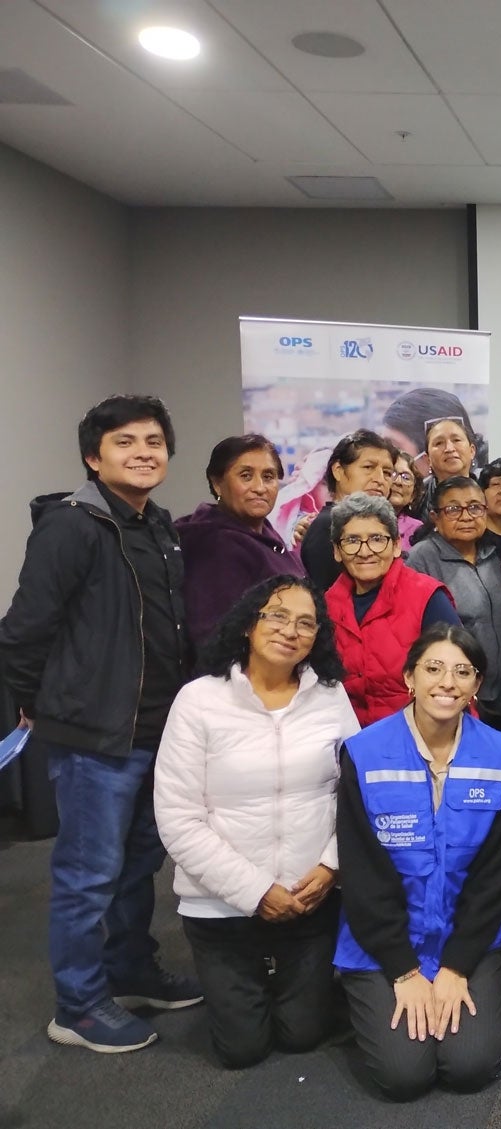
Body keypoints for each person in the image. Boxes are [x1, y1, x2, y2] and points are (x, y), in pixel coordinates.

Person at [0, 394, 202, 1053]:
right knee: (86, 873)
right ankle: (79, 1005)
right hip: (94, 737)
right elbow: (24, 630)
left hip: (154, 734)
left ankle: (130, 969)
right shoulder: (71, 526)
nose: (143, 451)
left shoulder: (157, 524)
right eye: (124, 442)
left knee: (139, 862)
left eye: (154, 441)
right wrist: (41, 701)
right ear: (93, 456)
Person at [154, 577, 358, 1068]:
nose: (291, 629)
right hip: (222, 906)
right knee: (242, 1050)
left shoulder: (330, 697)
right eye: (277, 615)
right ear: (249, 623)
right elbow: (178, 818)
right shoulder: (199, 700)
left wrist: (331, 867)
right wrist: (255, 890)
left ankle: (289, 983)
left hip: (311, 898)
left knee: (303, 1035)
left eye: (306, 622)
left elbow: (356, 795)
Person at [335, 625, 501, 1102]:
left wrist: (455, 968)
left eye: (463, 672)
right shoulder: (364, 752)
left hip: (466, 939)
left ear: (477, 686)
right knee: (404, 1077)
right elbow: (361, 874)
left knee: (470, 1067)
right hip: (384, 943)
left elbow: (493, 877)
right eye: (433, 668)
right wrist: (404, 971)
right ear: (409, 677)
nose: (447, 682)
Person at [324, 495, 460, 727]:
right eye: (352, 540)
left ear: (396, 545)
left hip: (420, 735)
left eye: (377, 539)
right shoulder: (326, 604)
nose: (365, 551)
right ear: (337, 550)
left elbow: (457, 674)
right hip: (348, 738)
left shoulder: (427, 596)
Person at [406, 477, 501, 730]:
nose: (466, 516)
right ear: (436, 517)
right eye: (453, 509)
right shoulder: (423, 558)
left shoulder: (494, 553)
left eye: (474, 507)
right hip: (456, 695)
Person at [175, 434, 306, 649]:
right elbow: (214, 636)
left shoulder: (263, 531)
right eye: (246, 476)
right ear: (217, 484)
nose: (260, 487)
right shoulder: (214, 544)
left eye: (269, 476)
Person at [300, 430, 398, 590]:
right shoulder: (328, 526)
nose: (380, 479)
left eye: (387, 473)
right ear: (338, 470)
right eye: (368, 467)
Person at [389, 452, 425, 551]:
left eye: (406, 477)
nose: (398, 482)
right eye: (392, 473)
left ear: (413, 495)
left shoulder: (418, 531)